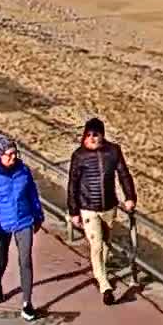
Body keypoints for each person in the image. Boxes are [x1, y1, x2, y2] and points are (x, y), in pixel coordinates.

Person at [66, 117, 137, 306]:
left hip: (109, 207)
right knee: (96, 245)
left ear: (102, 135)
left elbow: (123, 174)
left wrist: (130, 197)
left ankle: (101, 272)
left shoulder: (113, 151)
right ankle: (105, 286)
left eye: (95, 134)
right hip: (88, 208)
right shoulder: (79, 156)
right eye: (88, 135)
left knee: (106, 244)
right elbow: (73, 184)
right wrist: (74, 211)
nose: (92, 138)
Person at [0, 133, 43, 321]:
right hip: (1, 223)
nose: (13, 157)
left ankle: (27, 303)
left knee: (25, 260)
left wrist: (38, 216)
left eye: (15, 153)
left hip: (24, 220)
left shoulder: (24, 171)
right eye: (9, 154)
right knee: (2, 257)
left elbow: (32, 195)